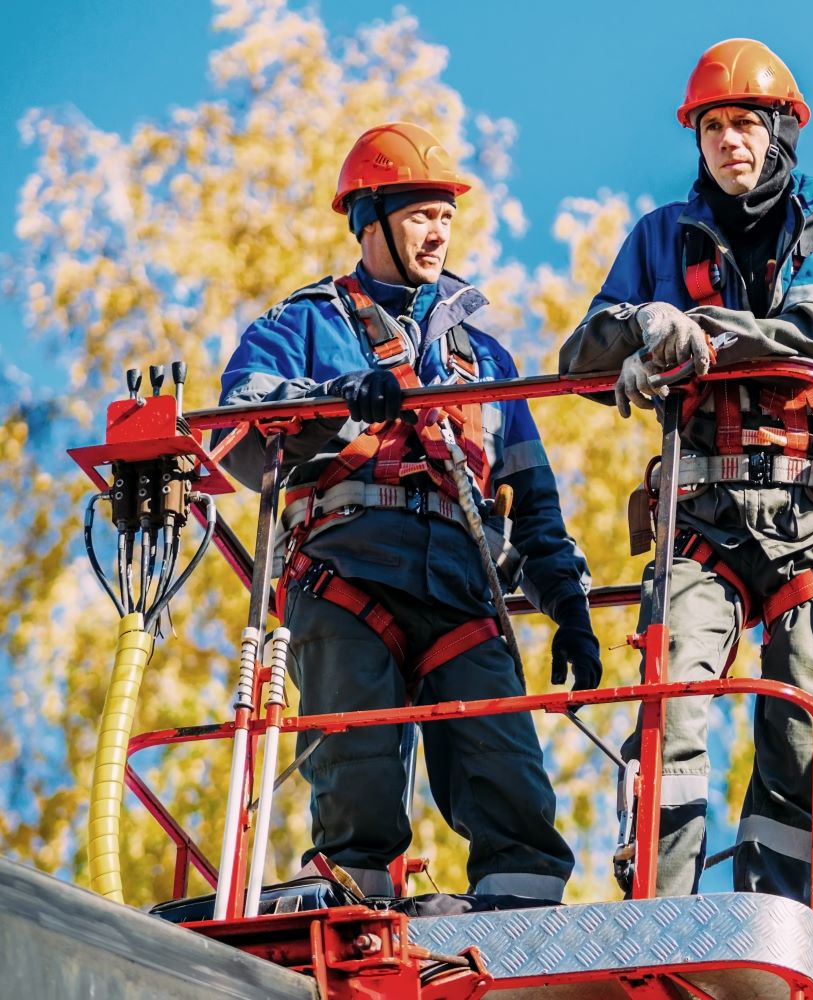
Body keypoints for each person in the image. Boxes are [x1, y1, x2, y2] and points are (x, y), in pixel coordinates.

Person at [218, 122, 601, 902]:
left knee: (512, 785)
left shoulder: (482, 359)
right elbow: (238, 427)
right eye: (421, 214)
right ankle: (354, 915)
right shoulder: (303, 327)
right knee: (356, 787)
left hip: (462, 587)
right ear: (370, 220)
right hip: (346, 577)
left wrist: (570, 608)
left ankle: (518, 920)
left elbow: (531, 498)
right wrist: (334, 403)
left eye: (446, 216)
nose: (438, 231)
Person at [558, 39, 813, 904]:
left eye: (745, 123)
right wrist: (639, 327)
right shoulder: (661, 237)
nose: (729, 141)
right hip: (700, 520)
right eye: (713, 127)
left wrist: (693, 337)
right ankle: (661, 909)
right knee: (670, 708)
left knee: (798, 733)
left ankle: (770, 920)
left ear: (782, 132)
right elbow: (578, 357)